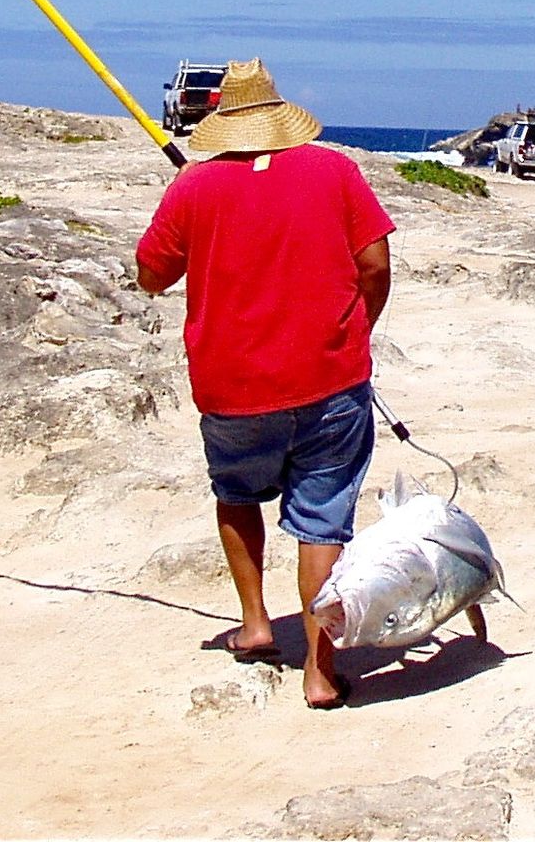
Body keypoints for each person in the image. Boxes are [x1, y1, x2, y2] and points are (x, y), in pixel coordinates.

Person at [134, 59, 393, 709]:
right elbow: (375, 263)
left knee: (237, 493)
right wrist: (359, 329)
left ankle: (255, 623)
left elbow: (150, 274)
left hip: (231, 384)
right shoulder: (334, 171)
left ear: (223, 124)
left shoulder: (195, 187)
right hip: (328, 377)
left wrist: (196, 223)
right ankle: (320, 671)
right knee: (321, 522)